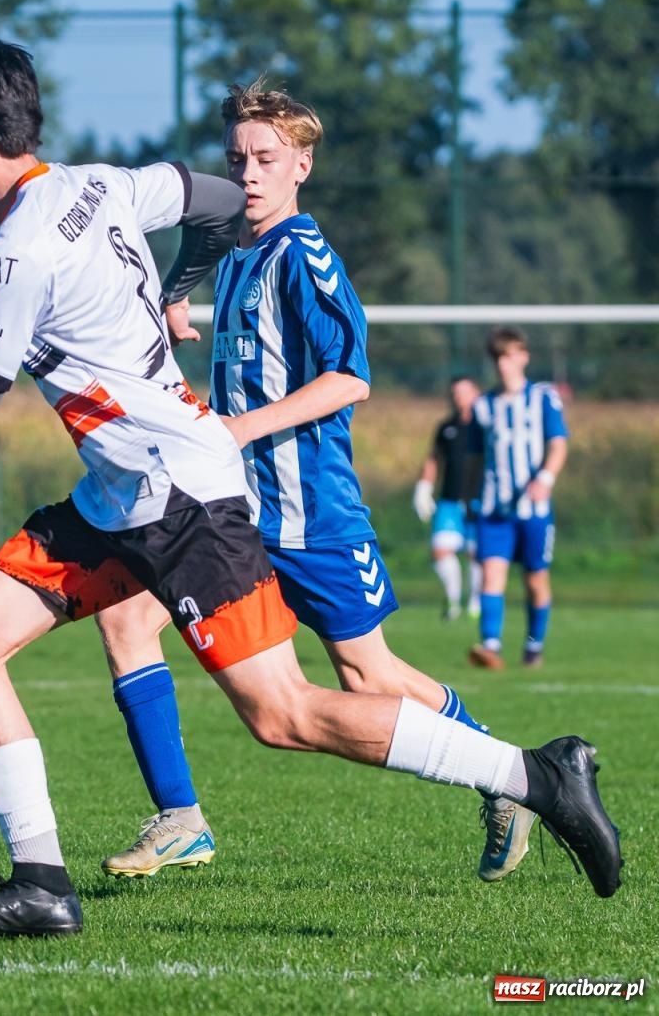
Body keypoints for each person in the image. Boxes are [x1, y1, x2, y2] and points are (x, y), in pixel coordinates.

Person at [0, 38, 622, 938]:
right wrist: (175, 290)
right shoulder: (106, 183)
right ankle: (43, 882)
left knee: (283, 712)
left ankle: (536, 777)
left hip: (179, 497)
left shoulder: (12, 255)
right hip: (119, 494)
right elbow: (210, 202)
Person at [91, 81, 525, 888]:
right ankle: (181, 817)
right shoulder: (241, 253)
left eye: (264, 158)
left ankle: (508, 775)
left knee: (370, 676)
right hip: (233, 513)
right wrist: (176, 305)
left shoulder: (304, 256)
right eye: (236, 159)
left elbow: (349, 380)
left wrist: (241, 428)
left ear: (302, 164)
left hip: (313, 515)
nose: (247, 173)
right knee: (125, 619)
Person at [467, 327, 568, 671]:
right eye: (498, 358)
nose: (503, 364)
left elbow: (558, 444)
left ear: (523, 356)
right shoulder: (484, 406)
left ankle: (532, 645)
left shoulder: (542, 398)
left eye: (509, 356)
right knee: (491, 575)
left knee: (535, 580)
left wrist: (545, 478)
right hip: (494, 509)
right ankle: (490, 647)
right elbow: (475, 458)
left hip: (534, 510)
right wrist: (468, 498)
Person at [414, 377, 484, 622]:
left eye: (464, 392)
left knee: (479, 554)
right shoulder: (446, 427)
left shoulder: (485, 426)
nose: (459, 397)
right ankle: (453, 600)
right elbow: (434, 459)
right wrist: (424, 487)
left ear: (477, 393)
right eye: (455, 392)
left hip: (480, 499)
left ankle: (477, 601)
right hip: (449, 500)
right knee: (441, 550)